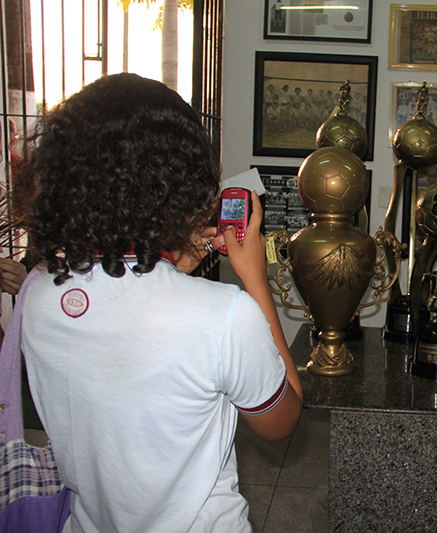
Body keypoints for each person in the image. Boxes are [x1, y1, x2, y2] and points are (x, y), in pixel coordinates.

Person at [15, 73, 303, 533]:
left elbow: (126, 310)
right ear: (177, 181)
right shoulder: (225, 316)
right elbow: (282, 419)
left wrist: (175, 261)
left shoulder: (38, 296)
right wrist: (255, 280)